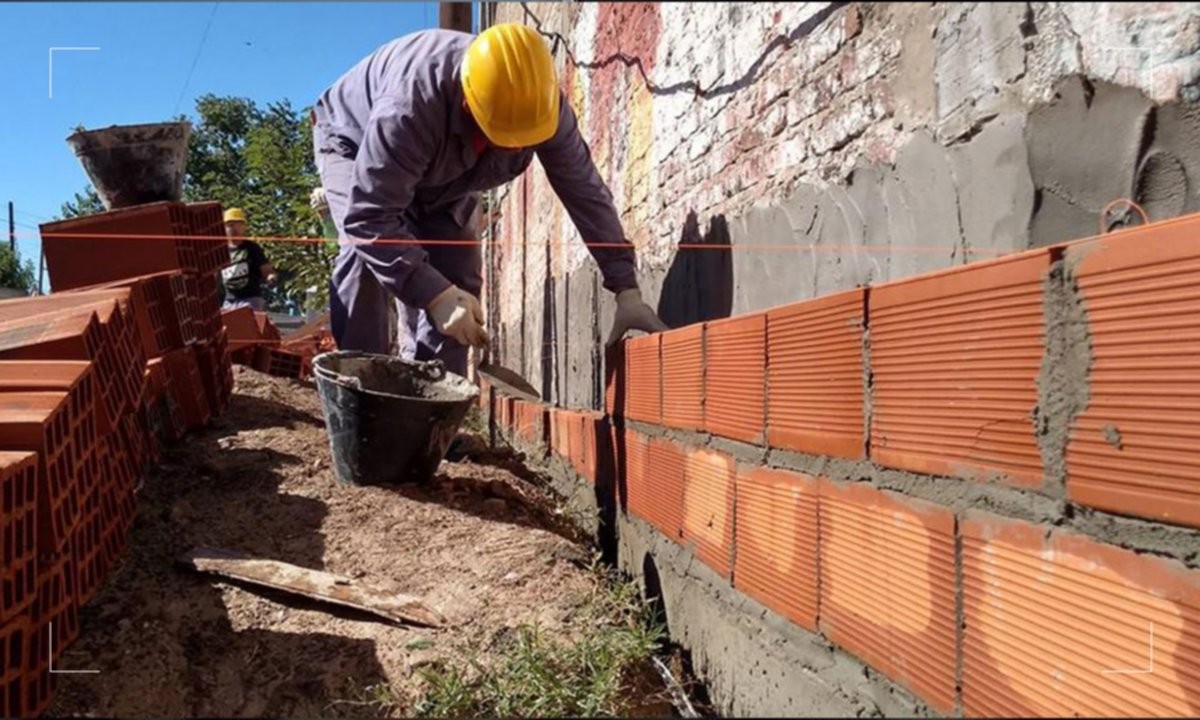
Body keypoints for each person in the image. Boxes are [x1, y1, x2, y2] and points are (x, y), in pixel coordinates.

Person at [311, 23, 668, 376]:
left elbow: (584, 190)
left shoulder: (542, 108)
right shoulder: (410, 103)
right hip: (352, 141)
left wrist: (626, 288)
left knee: (459, 283)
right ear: (469, 102)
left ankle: (431, 416)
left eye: (521, 142)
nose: (513, 148)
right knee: (364, 259)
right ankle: (362, 395)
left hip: (444, 177)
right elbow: (370, 219)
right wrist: (434, 295)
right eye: (502, 137)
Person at [221, 207, 277, 311]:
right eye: (230, 225)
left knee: (247, 326)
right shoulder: (221, 250)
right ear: (224, 228)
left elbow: (267, 270)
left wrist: (271, 277)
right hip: (229, 300)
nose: (234, 229)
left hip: (251, 299)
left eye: (238, 225)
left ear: (243, 227)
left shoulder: (252, 248)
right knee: (228, 326)